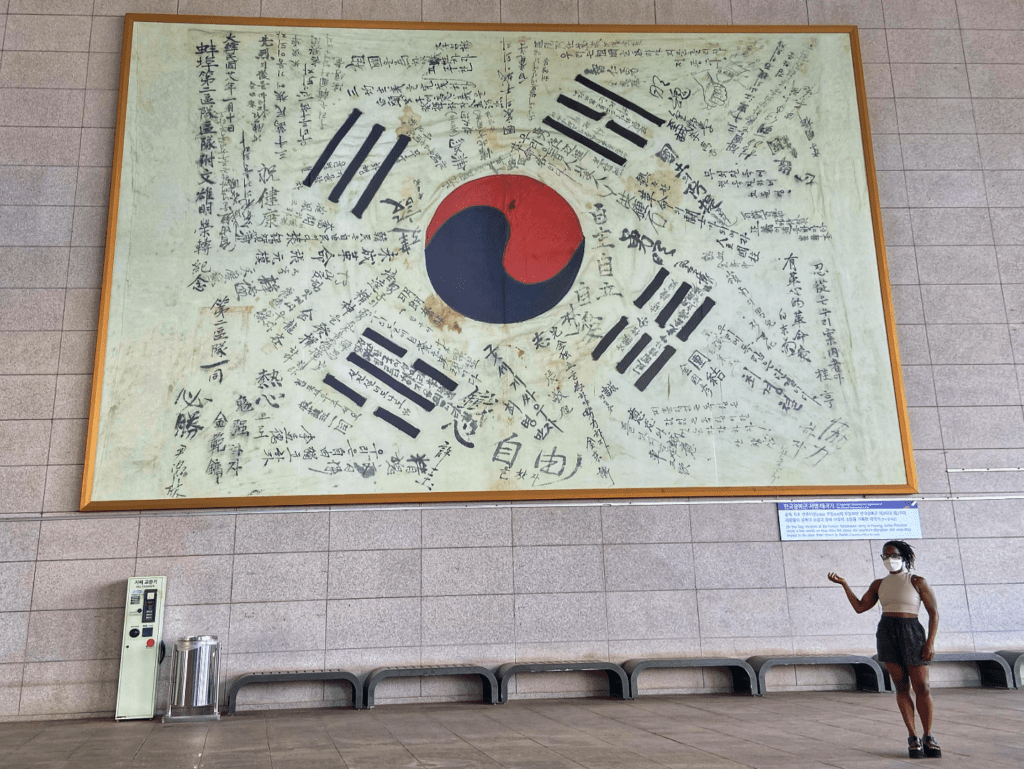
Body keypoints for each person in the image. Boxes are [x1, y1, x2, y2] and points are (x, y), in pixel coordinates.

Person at [827, 541, 941, 759]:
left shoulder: (917, 581)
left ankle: (929, 735)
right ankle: (912, 737)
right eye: (885, 556)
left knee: (922, 686)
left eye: (893, 555)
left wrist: (930, 642)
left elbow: (933, 613)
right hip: (888, 632)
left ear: (904, 556)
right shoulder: (879, 584)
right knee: (900, 686)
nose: (889, 559)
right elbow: (860, 607)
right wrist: (844, 584)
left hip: (912, 632)